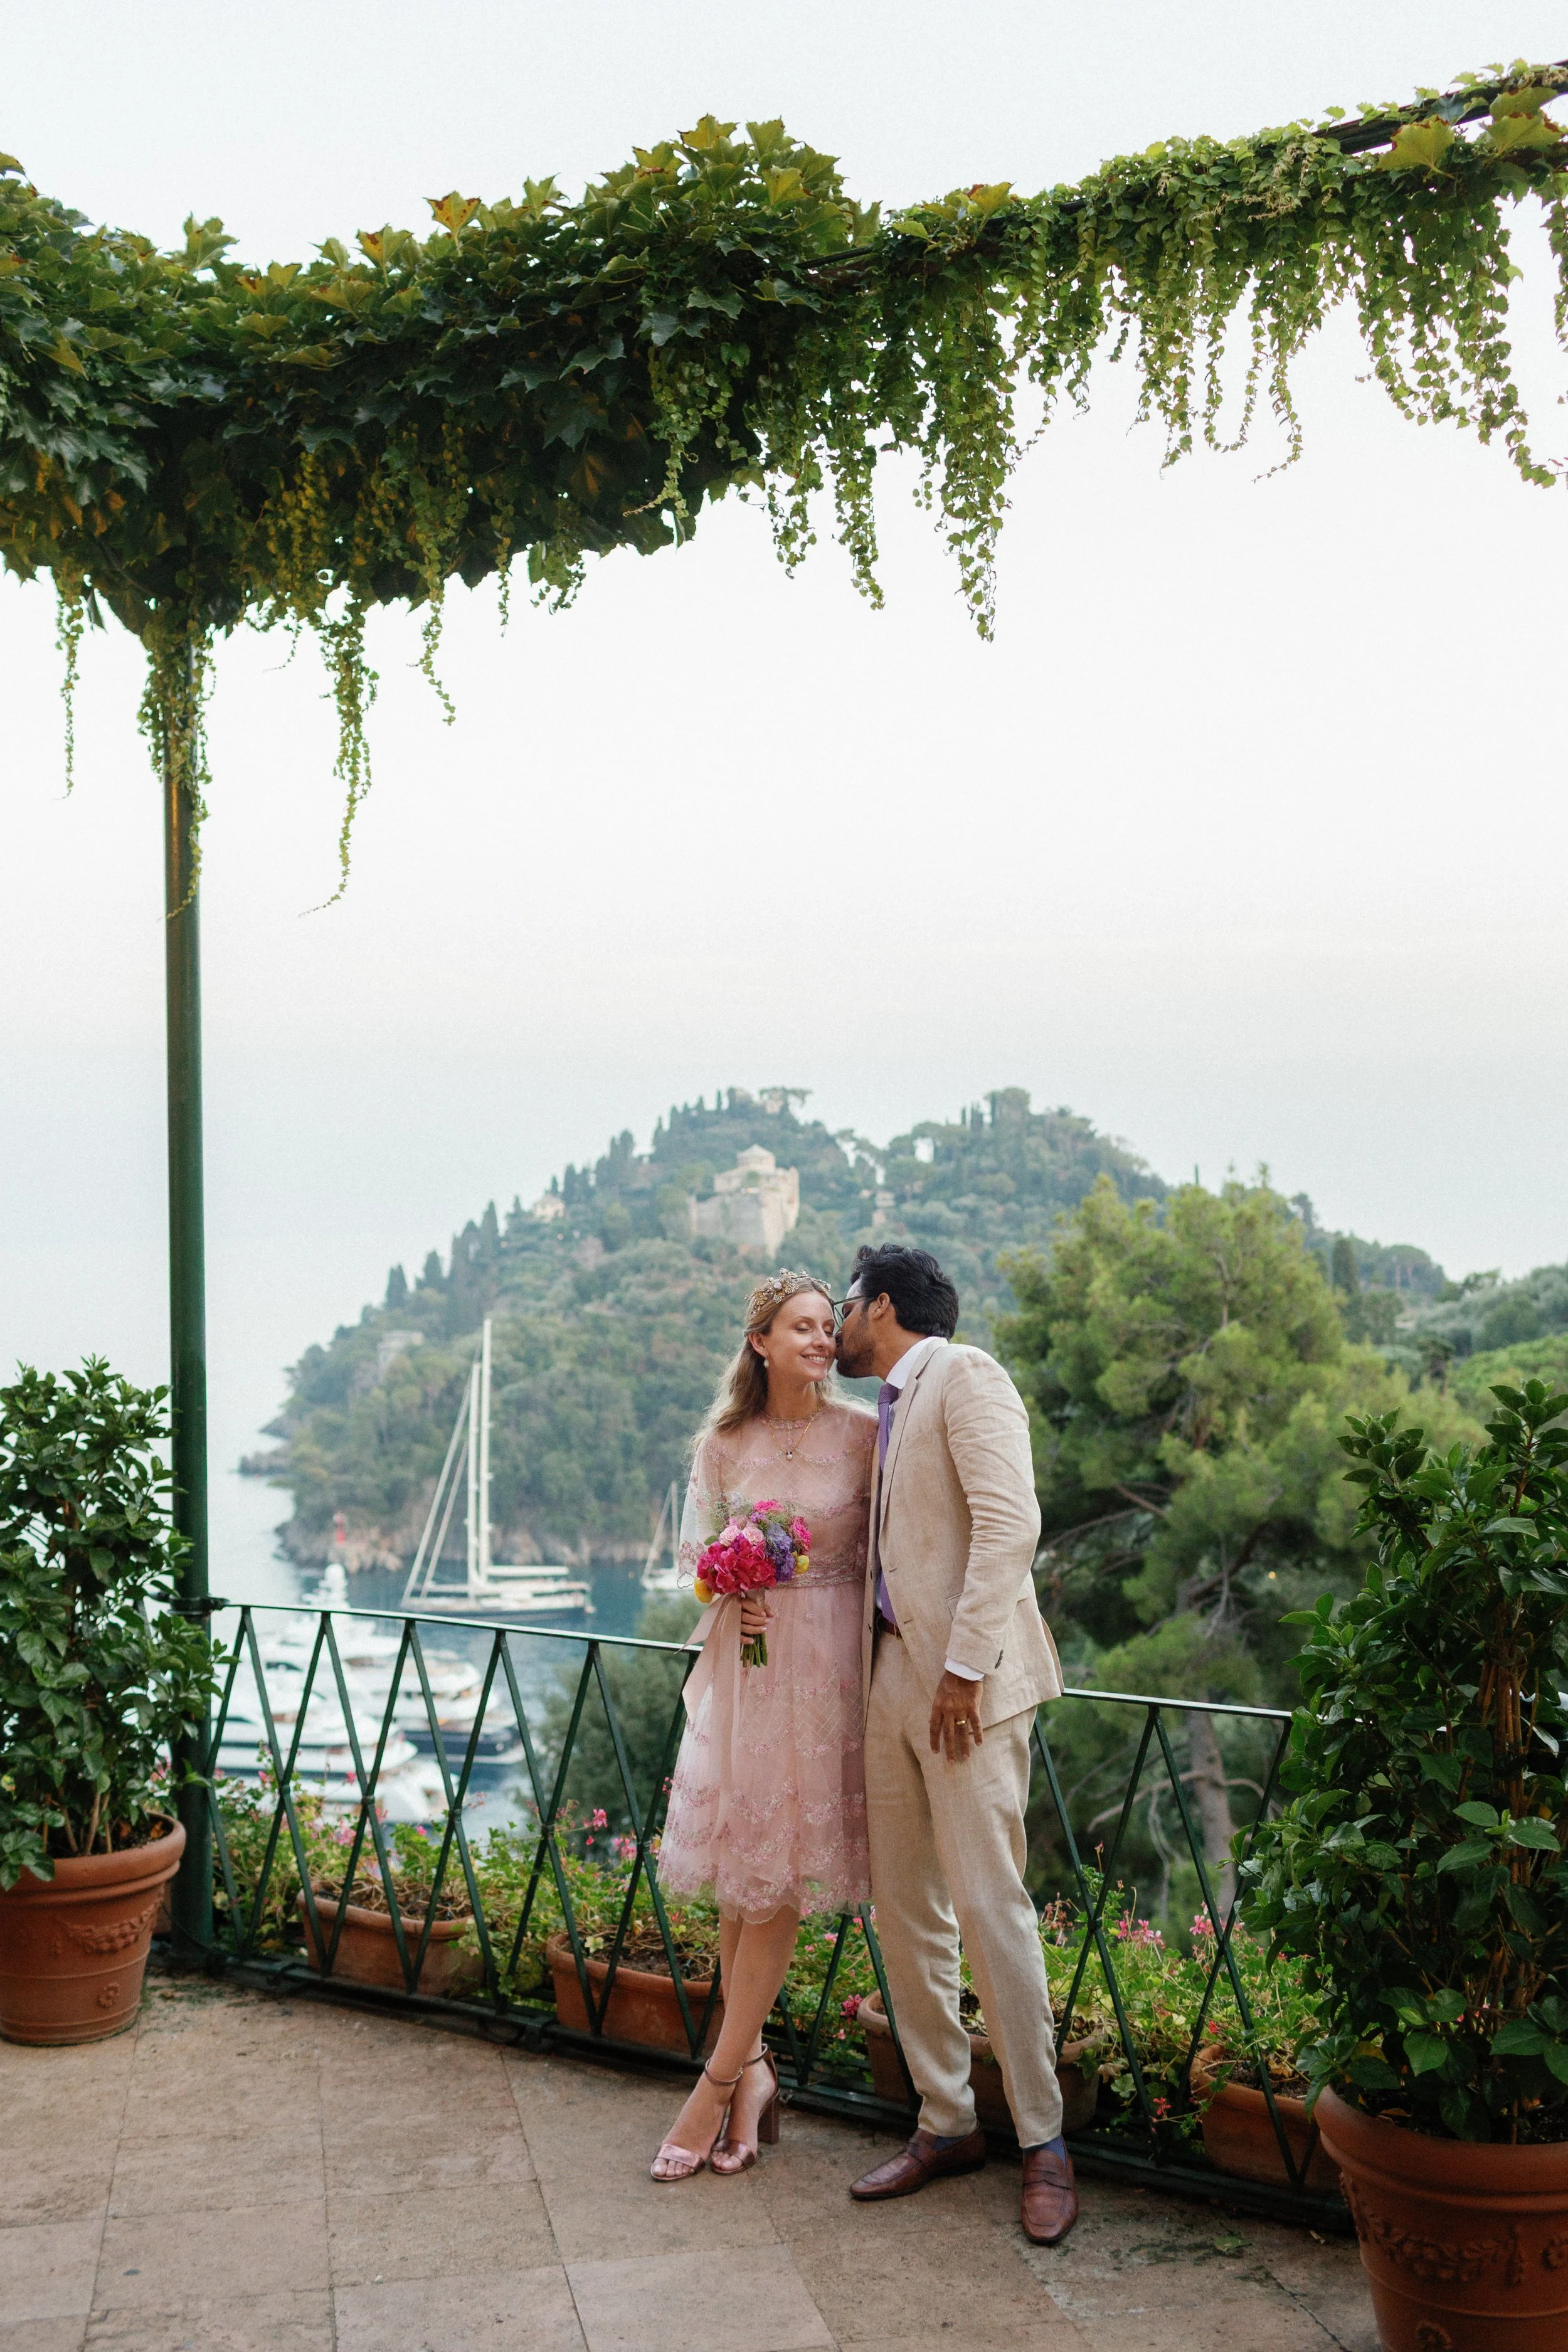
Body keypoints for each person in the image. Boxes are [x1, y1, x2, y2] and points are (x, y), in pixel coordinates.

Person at [835, 1242, 1078, 2247]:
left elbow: (1010, 1523)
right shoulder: (881, 1411)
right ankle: (946, 2120)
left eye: (845, 1303)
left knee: (989, 1904)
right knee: (906, 1913)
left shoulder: (966, 1373)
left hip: (963, 1686)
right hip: (891, 1678)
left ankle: (1046, 2140)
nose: (839, 1321)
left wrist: (967, 1670)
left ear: (882, 1305)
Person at [650, 1270, 876, 2181]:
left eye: (830, 1327)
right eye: (804, 1327)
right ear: (762, 1342)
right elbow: (694, 1560)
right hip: (749, 1673)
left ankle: (712, 2085)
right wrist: (729, 1584)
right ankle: (751, 2074)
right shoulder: (724, 1441)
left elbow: (889, 1551)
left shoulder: (865, 1436)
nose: (824, 1340)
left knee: (776, 1877)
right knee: (746, 1874)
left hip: (827, 1674)